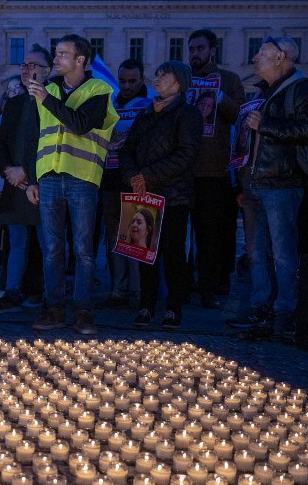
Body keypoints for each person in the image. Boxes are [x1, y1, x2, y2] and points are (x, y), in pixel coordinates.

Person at [26, 34, 119, 335]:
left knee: (83, 250)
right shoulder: (48, 89)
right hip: (49, 176)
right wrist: (32, 178)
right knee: (51, 248)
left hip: (82, 177)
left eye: (63, 54)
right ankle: (53, 310)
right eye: (56, 53)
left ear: (80, 60)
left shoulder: (99, 90)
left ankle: (82, 312)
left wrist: (46, 99)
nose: (56, 59)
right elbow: (35, 135)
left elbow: (80, 124)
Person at [227, 36, 308, 341]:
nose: (254, 59)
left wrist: (265, 124)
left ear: (281, 57)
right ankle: (260, 308)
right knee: (257, 252)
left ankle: (284, 313)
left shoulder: (301, 89)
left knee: (282, 253)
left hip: (283, 182)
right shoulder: (265, 92)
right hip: (256, 182)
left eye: (261, 54)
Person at [120, 61, 202, 329]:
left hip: (173, 195)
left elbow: (186, 154)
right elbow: (127, 149)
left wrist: (148, 175)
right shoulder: (146, 112)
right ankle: (146, 306)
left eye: (164, 74)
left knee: (173, 253)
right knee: (144, 253)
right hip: (143, 193)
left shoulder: (187, 113)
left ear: (179, 81)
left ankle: (173, 308)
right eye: (156, 73)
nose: (158, 77)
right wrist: (134, 175)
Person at [0, 46, 52, 314]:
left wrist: (27, 171)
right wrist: (8, 171)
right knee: (16, 242)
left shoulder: (52, 101)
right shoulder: (14, 103)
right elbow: (2, 144)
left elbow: (47, 142)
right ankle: (12, 292)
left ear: (46, 71)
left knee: (49, 244)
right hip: (15, 184)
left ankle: (50, 296)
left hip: (42, 183)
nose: (25, 69)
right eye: (23, 64)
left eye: (32, 65)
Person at [186, 29, 246, 309]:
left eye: (200, 48)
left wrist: (219, 96)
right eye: (191, 49)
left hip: (215, 171)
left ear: (212, 49)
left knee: (210, 234)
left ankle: (209, 287)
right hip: (184, 170)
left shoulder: (231, 79)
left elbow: (241, 116)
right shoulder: (183, 77)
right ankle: (184, 284)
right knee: (183, 234)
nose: (195, 54)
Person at [98, 58, 151, 310]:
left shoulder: (150, 104)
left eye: (132, 81)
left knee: (137, 236)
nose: (127, 86)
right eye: (123, 81)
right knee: (114, 238)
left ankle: (138, 291)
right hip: (109, 180)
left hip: (135, 180)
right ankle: (118, 289)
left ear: (142, 79)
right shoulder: (111, 103)